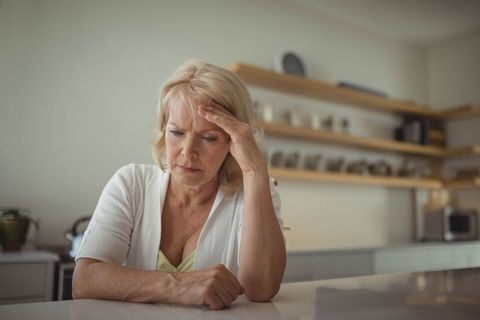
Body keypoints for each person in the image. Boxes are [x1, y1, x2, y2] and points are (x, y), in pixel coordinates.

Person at [72, 59, 286, 310]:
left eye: (208, 137)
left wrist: (254, 169)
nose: (188, 152)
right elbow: (84, 280)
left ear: (233, 142)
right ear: (164, 130)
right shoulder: (131, 183)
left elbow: (261, 290)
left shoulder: (256, 190)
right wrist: (179, 285)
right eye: (177, 132)